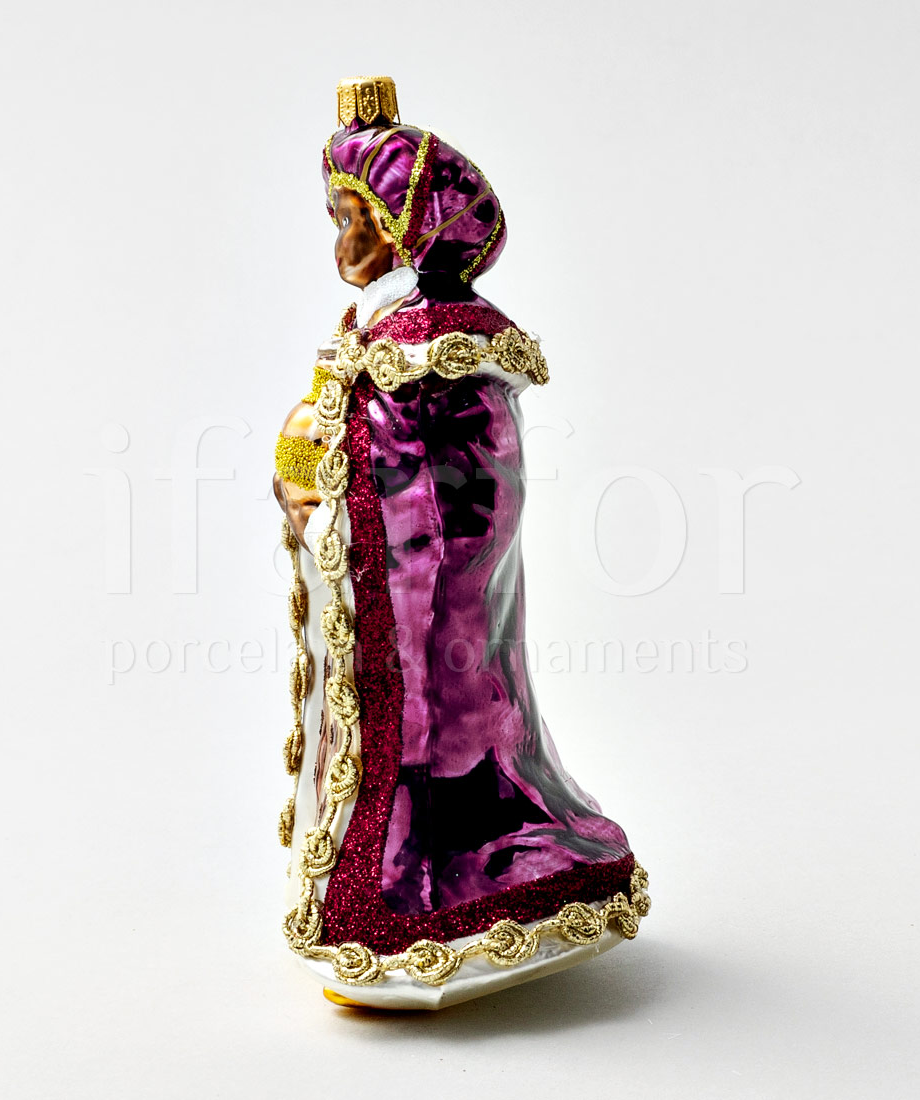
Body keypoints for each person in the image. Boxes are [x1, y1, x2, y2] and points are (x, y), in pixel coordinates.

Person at [271, 77, 649, 1009]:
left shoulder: (440, 350)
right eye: (336, 221)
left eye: (358, 220)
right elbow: (334, 437)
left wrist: (333, 484)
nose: (343, 247)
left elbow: (456, 491)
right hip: (376, 580)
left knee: (443, 711)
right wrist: (305, 472)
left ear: (408, 229)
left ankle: (449, 892)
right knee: (387, 721)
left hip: (427, 591)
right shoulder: (373, 332)